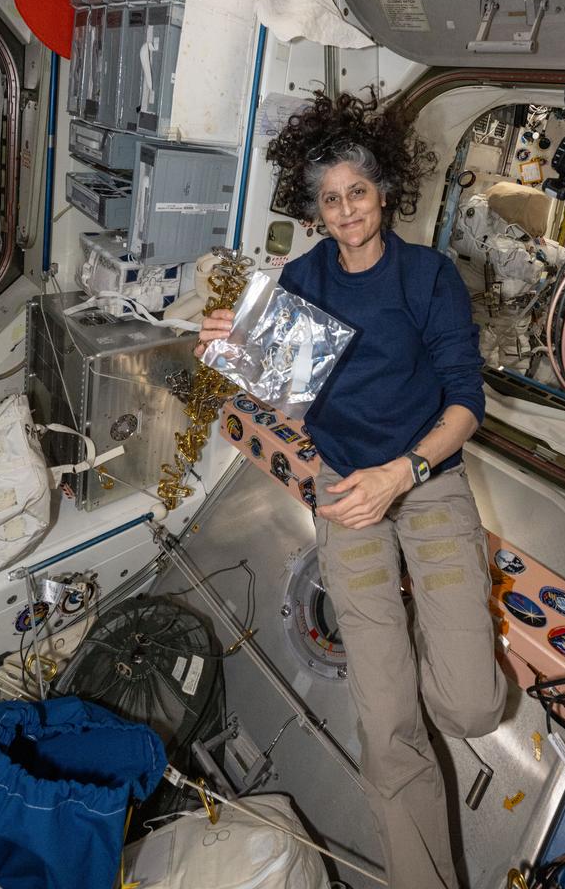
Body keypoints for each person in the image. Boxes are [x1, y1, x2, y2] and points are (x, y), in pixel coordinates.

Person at [195, 91, 505, 889]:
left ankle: (445, 647)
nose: (346, 211)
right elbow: (289, 394)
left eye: (357, 192)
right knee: (385, 715)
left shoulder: (427, 276)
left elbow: (465, 403)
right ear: (314, 210)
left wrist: (403, 472)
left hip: (424, 478)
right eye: (329, 199)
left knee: (470, 708)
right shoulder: (299, 281)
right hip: (343, 491)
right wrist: (230, 349)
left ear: (385, 191)